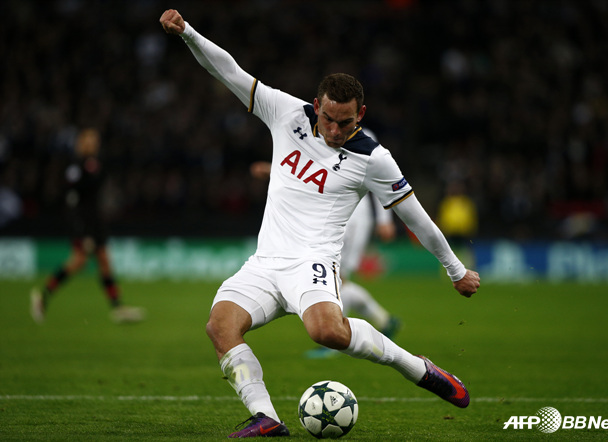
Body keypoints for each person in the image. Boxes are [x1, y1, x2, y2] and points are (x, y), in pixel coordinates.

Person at [160, 9, 480, 438]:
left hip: (313, 261)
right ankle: (266, 418)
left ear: (360, 113)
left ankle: (419, 368)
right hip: (265, 262)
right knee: (220, 326)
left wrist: (455, 270)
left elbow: (416, 217)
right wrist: (188, 33)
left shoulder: (374, 159)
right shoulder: (285, 113)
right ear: (316, 106)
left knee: (327, 332)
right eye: (328, 118)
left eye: (345, 122)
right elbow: (229, 71)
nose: (334, 129)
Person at [250, 130, 401, 361]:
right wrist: (274, 170)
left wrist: (384, 219)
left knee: (335, 278)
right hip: (331, 216)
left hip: (352, 217)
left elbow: (383, 179)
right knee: (339, 278)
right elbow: (314, 171)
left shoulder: (364, 136)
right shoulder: (317, 131)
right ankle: (383, 320)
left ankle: (336, 338)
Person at [30, 128, 146, 325]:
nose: (93, 144)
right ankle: (43, 296)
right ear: (81, 143)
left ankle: (118, 307)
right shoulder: (76, 168)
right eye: (89, 140)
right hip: (83, 222)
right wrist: (82, 229)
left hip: (95, 220)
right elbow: (72, 198)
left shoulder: (94, 164)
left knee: (104, 262)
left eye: (95, 140)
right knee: (78, 261)